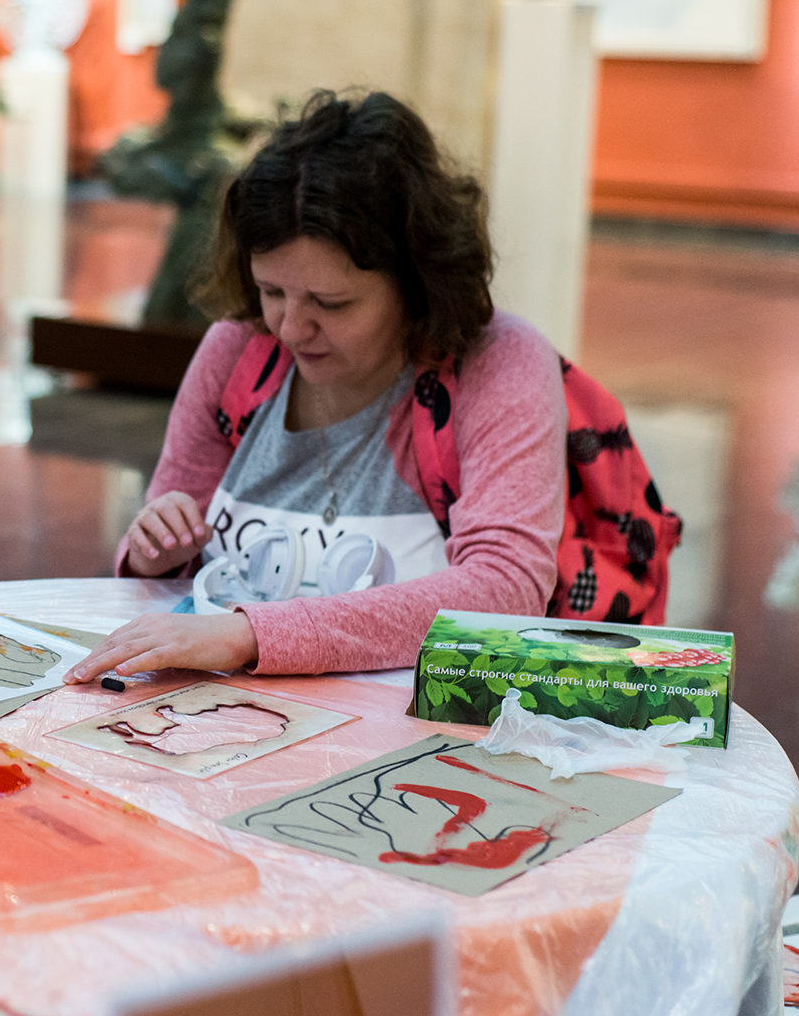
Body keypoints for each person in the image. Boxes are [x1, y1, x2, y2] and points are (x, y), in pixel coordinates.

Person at [66, 90, 566, 683]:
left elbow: (506, 589)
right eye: (271, 292)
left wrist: (253, 635)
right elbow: (169, 575)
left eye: (331, 302)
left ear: (416, 282)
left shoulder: (497, 362)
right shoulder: (237, 353)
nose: (291, 327)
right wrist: (152, 549)